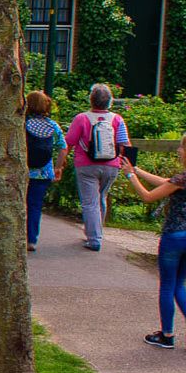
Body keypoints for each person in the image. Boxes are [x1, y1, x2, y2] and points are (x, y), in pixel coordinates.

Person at [121, 139, 186, 348]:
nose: (178, 150)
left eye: (182, 147)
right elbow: (167, 183)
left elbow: (149, 197)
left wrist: (130, 176)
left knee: (167, 285)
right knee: (180, 286)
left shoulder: (181, 178)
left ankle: (167, 335)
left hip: (174, 236)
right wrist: (138, 170)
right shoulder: (179, 180)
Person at [65, 83, 130, 252]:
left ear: (91, 100)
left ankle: (94, 239)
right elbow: (124, 145)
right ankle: (96, 232)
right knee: (101, 197)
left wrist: (60, 162)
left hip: (86, 165)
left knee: (89, 202)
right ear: (110, 101)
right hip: (111, 165)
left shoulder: (81, 118)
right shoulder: (117, 119)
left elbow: (69, 142)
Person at [21, 90, 67, 253]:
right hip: (43, 173)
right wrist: (58, 167)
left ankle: (16, 236)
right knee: (35, 206)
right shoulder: (52, 125)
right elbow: (63, 148)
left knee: (18, 204)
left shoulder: (22, 123)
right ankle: (31, 240)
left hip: (22, 171)